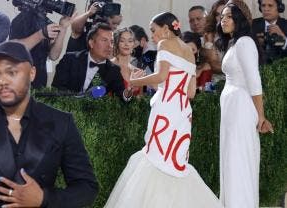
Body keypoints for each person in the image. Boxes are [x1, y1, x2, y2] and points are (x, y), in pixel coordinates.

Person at [0, 41, 99, 207]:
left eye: (12, 72)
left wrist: (43, 199)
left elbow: (87, 188)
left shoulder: (61, 123)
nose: (2, 81)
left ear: (32, 73)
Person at [104, 12, 222, 208]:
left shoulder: (165, 44)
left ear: (166, 29)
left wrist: (135, 80)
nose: (152, 36)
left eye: (153, 30)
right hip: (183, 112)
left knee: (156, 158)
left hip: (166, 109)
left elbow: (160, 76)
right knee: (175, 162)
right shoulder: (188, 51)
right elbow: (191, 92)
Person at [216, 0, 274, 207]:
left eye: (229, 16)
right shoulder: (233, 43)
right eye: (222, 16)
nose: (224, 20)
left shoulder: (244, 43)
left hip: (241, 107)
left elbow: (254, 81)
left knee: (238, 160)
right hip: (232, 108)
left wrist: (261, 116)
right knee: (231, 159)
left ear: (240, 19)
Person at [52, 23, 134, 101]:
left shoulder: (113, 70)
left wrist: (127, 93)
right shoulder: (70, 59)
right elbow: (57, 87)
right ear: (91, 43)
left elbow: (122, 96)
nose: (109, 46)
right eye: (104, 40)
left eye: (112, 42)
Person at [10, 7, 74, 88]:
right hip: (20, 78)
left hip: (40, 80)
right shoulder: (20, 19)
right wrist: (41, 34)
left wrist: (63, 28)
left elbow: (54, 56)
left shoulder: (46, 22)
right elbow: (15, 49)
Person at [111, 27, 143, 96]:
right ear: (116, 43)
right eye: (122, 41)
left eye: (130, 41)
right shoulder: (108, 66)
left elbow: (140, 99)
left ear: (133, 45)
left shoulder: (137, 72)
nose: (126, 44)